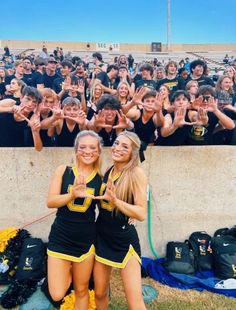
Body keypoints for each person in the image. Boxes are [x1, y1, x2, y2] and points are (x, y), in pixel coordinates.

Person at [46, 130, 102, 310]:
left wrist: (127, 213)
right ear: (76, 150)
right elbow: (51, 201)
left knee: (81, 289)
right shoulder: (63, 170)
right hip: (60, 237)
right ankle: (67, 269)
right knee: (57, 293)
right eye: (83, 147)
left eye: (93, 147)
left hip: (85, 241)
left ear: (99, 151)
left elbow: (107, 210)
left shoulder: (101, 179)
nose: (88, 151)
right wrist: (72, 194)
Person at [94, 131, 148, 310]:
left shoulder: (136, 173)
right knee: (100, 293)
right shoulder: (108, 170)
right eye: (116, 143)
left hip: (124, 240)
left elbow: (140, 213)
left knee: (134, 301)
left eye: (125, 146)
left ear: (133, 153)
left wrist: (116, 201)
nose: (117, 148)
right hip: (101, 236)